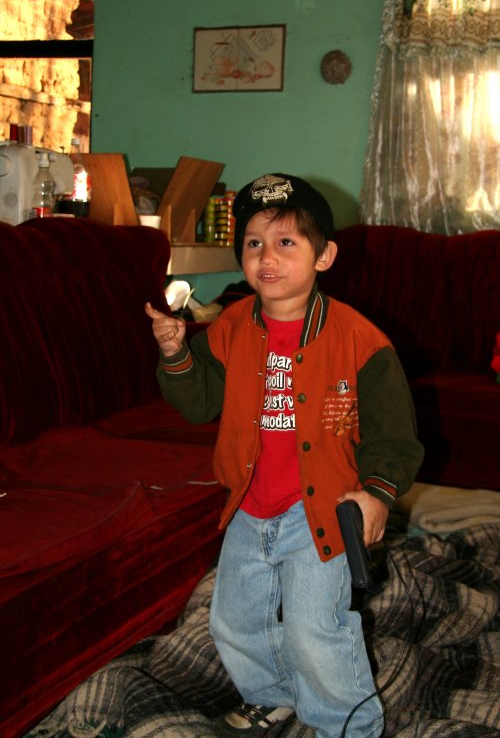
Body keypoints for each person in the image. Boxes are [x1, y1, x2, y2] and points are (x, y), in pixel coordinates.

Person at [145, 173, 424, 738]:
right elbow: (199, 403)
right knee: (233, 621)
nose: (266, 257)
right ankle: (270, 694)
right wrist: (176, 355)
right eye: (253, 243)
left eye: (286, 242)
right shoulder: (229, 326)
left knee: (314, 629)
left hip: (319, 512)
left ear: (324, 256)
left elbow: (394, 435)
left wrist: (377, 493)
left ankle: (347, 725)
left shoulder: (360, 340)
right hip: (249, 508)